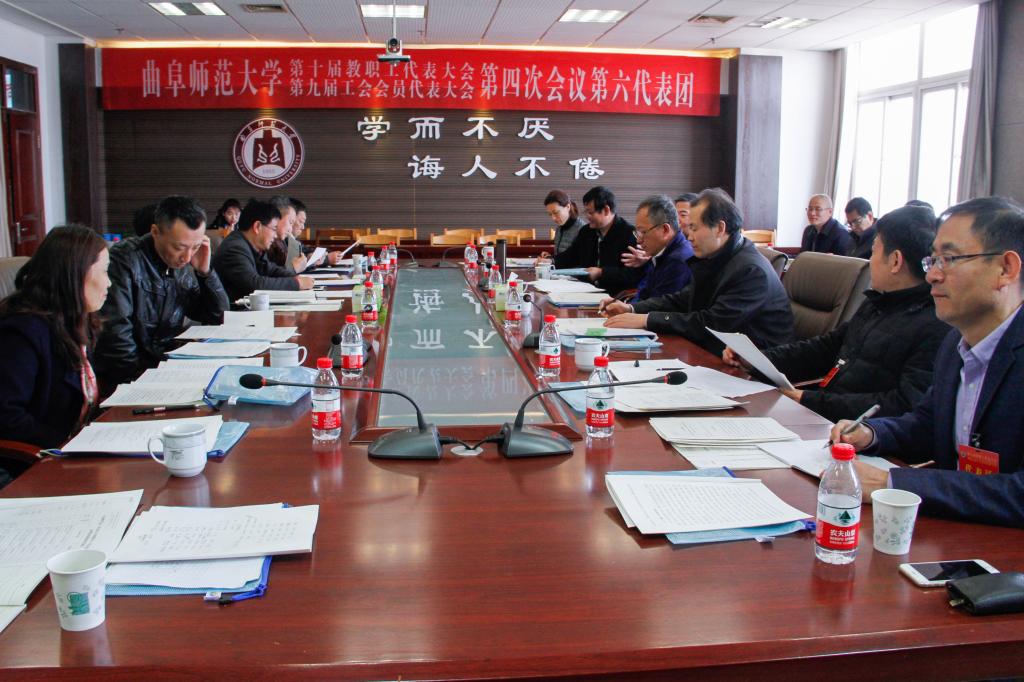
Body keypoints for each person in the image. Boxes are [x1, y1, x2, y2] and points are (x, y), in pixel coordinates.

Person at [831, 196, 1024, 527]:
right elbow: (928, 425)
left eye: (949, 259)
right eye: (932, 260)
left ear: (1006, 269)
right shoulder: (955, 343)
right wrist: (871, 433)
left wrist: (894, 483)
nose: (933, 275)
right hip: (956, 534)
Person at [725, 205, 948, 422]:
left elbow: (903, 406)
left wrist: (809, 400)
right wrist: (755, 359)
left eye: (874, 251)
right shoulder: (878, 303)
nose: (870, 260)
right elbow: (825, 348)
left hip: (858, 434)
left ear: (895, 261)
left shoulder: (935, 325)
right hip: (826, 418)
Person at [602, 188, 794, 354]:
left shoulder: (751, 271)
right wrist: (633, 308)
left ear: (719, 228)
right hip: (719, 352)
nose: (689, 237)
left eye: (694, 228)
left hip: (754, 365)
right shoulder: (717, 257)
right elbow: (683, 299)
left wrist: (647, 320)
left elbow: (712, 324)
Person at [95, 196, 229, 388]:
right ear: (155, 232)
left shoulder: (181, 266)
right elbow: (116, 338)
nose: (187, 257)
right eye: (179, 247)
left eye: (196, 247)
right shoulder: (124, 261)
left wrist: (205, 273)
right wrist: (144, 383)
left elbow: (219, 317)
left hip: (166, 366)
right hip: (133, 378)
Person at [0, 226, 110, 451]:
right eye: (104, 271)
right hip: (38, 460)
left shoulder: (76, 320)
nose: (109, 282)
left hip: (76, 448)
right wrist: (68, 445)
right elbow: (7, 417)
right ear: (75, 274)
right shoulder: (23, 333)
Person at [212, 198, 314, 303]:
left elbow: (270, 270)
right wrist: (296, 284)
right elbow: (255, 284)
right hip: (233, 310)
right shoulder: (235, 248)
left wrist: (295, 277)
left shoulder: (252, 245)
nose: (275, 235)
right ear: (257, 227)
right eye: (274, 229)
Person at [598, 195, 692, 306]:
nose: (638, 240)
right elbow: (644, 293)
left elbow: (659, 308)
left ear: (665, 230)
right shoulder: (659, 253)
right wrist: (624, 306)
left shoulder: (677, 260)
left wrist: (629, 309)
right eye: (637, 233)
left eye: (643, 232)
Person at [554, 186, 640, 296]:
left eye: (590, 212)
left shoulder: (629, 234)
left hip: (614, 296)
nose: (587, 216)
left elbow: (631, 275)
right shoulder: (586, 231)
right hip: (585, 292)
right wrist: (551, 262)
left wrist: (601, 273)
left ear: (606, 210)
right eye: (586, 212)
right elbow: (571, 256)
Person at [267, 195, 306, 273]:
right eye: (290, 222)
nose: (290, 229)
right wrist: (293, 269)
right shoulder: (265, 244)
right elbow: (266, 277)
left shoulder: (280, 242)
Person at [541, 189, 586, 257]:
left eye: (556, 212)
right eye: (550, 214)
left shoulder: (582, 229)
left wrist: (553, 260)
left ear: (568, 207)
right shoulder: (559, 228)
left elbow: (580, 258)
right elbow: (560, 255)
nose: (553, 218)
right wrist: (551, 257)